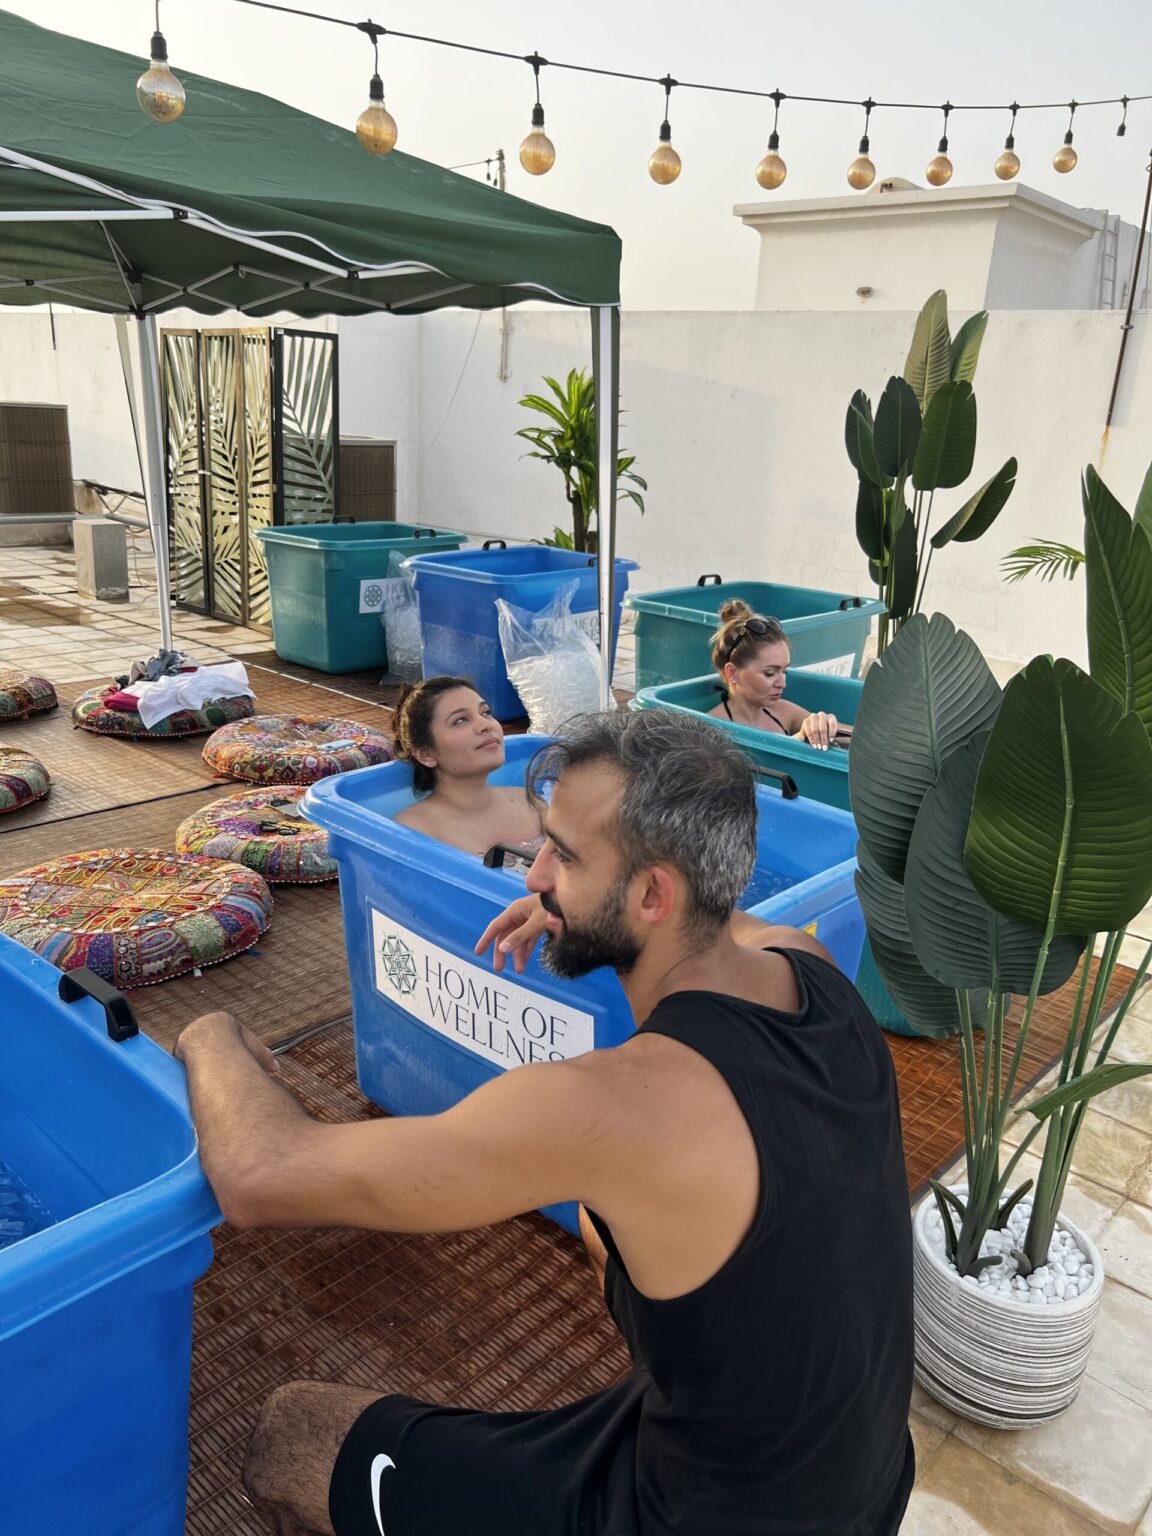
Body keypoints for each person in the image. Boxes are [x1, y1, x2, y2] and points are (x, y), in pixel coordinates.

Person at [175, 709, 914, 1536]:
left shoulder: (612, 1106)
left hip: (698, 1516)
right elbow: (721, 922)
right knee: (607, 1228)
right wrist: (579, 905)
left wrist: (210, 1036)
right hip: (853, 1479)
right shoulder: (812, 971)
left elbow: (259, 1173)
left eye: (561, 853)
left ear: (652, 895)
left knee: (294, 1433)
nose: (531, 878)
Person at [391, 674, 545, 859]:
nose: (485, 724)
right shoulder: (415, 829)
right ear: (426, 754)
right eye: (460, 720)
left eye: (485, 712)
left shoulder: (530, 803)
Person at [708, 598, 852, 750]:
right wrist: (798, 740)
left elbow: (860, 738)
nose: (782, 683)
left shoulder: (783, 711)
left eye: (784, 671)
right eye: (769, 673)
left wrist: (826, 725)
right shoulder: (709, 730)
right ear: (732, 673)